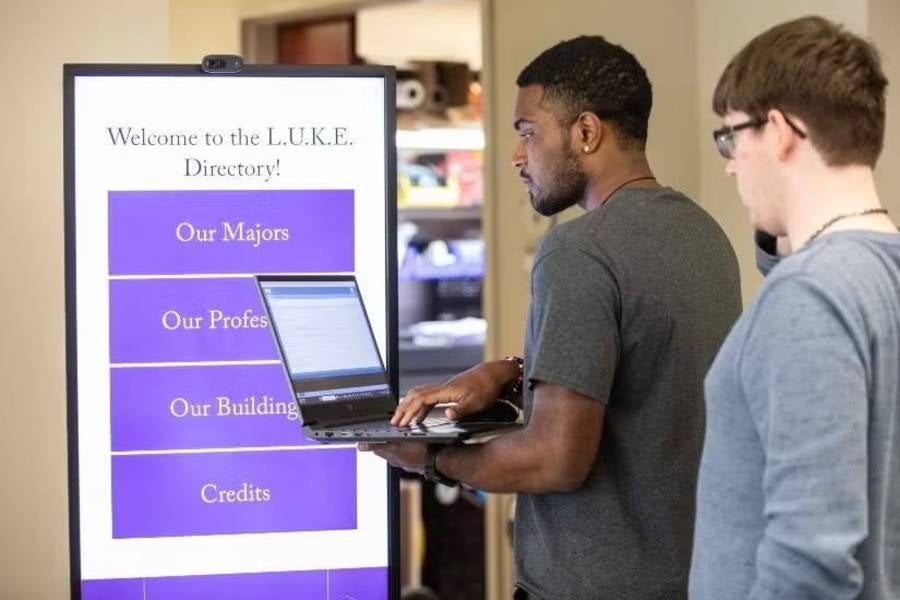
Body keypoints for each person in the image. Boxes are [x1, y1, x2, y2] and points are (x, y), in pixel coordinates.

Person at [364, 35, 740, 599]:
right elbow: (640, 370)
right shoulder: (704, 235)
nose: (518, 156)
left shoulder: (578, 249)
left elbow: (556, 458)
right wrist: (511, 371)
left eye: (527, 132)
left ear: (586, 132)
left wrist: (430, 457)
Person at [691, 16, 900, 599]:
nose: (731, 163)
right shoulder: (871, 276)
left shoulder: (809, 299)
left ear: (780, 130)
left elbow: (813, 564)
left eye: (732, 136)